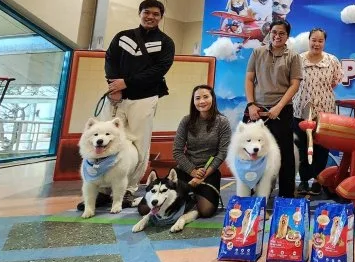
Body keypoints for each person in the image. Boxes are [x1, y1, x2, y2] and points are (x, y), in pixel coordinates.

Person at [77, 0, 175, 211]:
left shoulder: (166, 42)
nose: (150, 17)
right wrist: (115, 86)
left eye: (156, 14)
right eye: (147, 12)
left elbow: (159, 70)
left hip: (145, 98)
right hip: (117, 97)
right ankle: (103, 190)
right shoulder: (123, 37)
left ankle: (129, 189)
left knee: (139, 145)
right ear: (140, 13)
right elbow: (110, 60)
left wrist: (128, 82)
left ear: (161, 17)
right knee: (106, 138)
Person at [137, 84, 230, 221]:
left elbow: (222, 152)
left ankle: (189, 199)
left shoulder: (223, 122)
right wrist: (192, 171)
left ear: (213, 99)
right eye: (197, 98)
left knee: (206, 211)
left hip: (208, 172)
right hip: (185, 171)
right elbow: (177, 151)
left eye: (206, 97)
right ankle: (188, 198)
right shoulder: (186, 121)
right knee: (144, 209)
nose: (202, 101)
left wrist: (202, 176)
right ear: (193, 101)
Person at [244, 18, 302, 198]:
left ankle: (286, 195)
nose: (277, 36)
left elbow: (294, 84)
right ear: (269, 33)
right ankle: (255, 191)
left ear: (287, 36)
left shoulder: (293, 56)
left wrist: (279, 107)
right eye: (274, 32)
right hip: (257, 110)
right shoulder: (257, 52)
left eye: (282, 33)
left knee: (285, 154)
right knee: (254, 151)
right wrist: (251, 104)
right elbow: (249, 79)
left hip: (282, 110)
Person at [292, 28, 342, 197]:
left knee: (321, 148)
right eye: (314, 40)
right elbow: (292, 82)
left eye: (320, 41)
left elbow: (334, 82)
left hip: (325, 114)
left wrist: (320, 95)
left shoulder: (332, 61)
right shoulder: (298, 59)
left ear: (324, 42)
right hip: (300, 111)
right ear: (309, 40)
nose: (316, 44)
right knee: (302, 147)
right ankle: (304, 180)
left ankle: (318, 181)